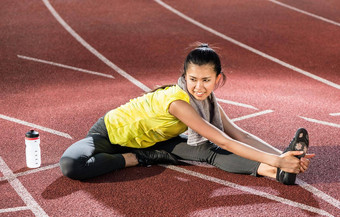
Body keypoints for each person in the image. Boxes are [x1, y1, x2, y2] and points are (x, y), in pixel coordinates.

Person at [60, 43, 314, 185]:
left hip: (157, 142)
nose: (198, 87)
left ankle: (273, 173)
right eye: (192, 79)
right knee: (72, 165)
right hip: (108, 135)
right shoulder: (178, 103)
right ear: (184, 77)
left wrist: (280, 158)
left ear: (218, 79)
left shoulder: (208, 101)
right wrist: (280, 158)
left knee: (207, 152)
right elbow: (226, 141)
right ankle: (135, 158)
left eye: (206, 80)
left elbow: (239, 134)